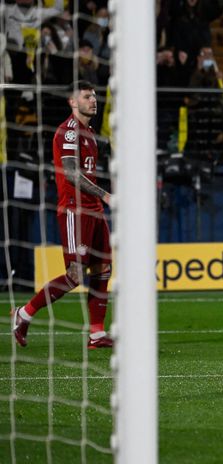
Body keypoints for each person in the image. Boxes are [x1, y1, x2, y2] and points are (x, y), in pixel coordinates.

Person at [12, 80, 114, 349]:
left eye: (94, 96)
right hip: (75, 210)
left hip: (94, 210)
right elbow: (70, 172)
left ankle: (96, 334)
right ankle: (23, 314)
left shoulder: (90, 132)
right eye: (86, 96)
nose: (94, 100)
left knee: (103, 268)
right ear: (72, 102)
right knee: (75, 275)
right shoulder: (69, 133)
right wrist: (105, 194)